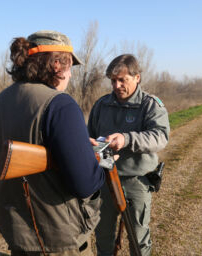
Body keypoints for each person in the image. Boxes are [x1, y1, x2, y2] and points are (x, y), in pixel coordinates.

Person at [0, 30, 105, 256]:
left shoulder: (1, 100)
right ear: (56, 66)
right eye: (70, 67)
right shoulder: (60, 104)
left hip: (19, 233)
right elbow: (86, 184)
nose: (71, 76)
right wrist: (96, 160)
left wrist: (75, 146)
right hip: (57, 241)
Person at [88, 54, 170, 256]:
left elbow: (160, 137)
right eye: (113, 81)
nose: (117, 85)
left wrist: (126, 139)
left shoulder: (151, 105)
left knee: (138, 239)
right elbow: (89, 135)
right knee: (103, 237)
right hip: (105, 179)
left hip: (136, 182)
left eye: (122, 80)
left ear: (137, 77)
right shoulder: (101, 105)